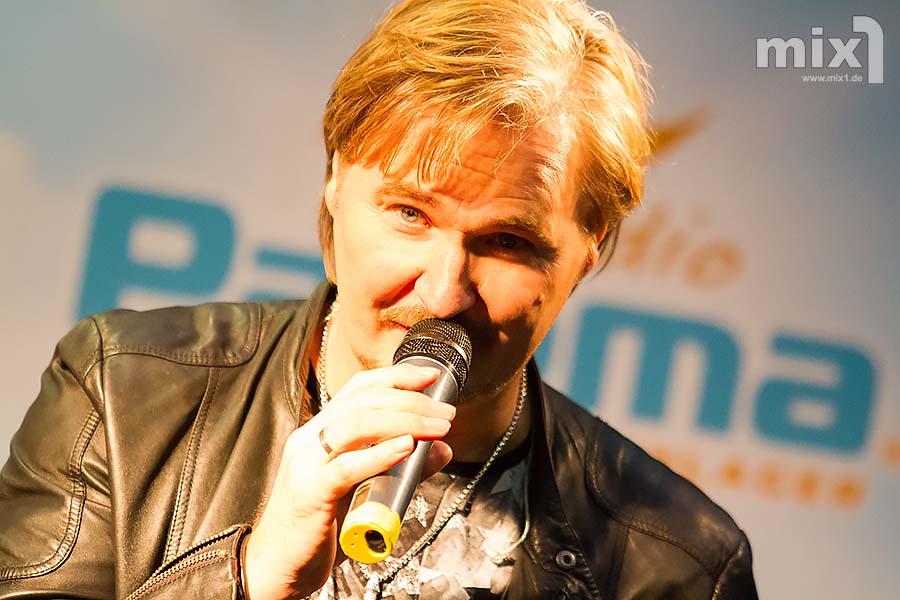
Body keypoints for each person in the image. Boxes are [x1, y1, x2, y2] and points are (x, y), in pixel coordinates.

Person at [0, 0, 757, 598]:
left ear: (589, 250)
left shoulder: (682, 564)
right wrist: (252, 578)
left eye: (507, 242)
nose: (443, 290)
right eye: (409, 213)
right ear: (334, 183)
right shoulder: (123, 390)